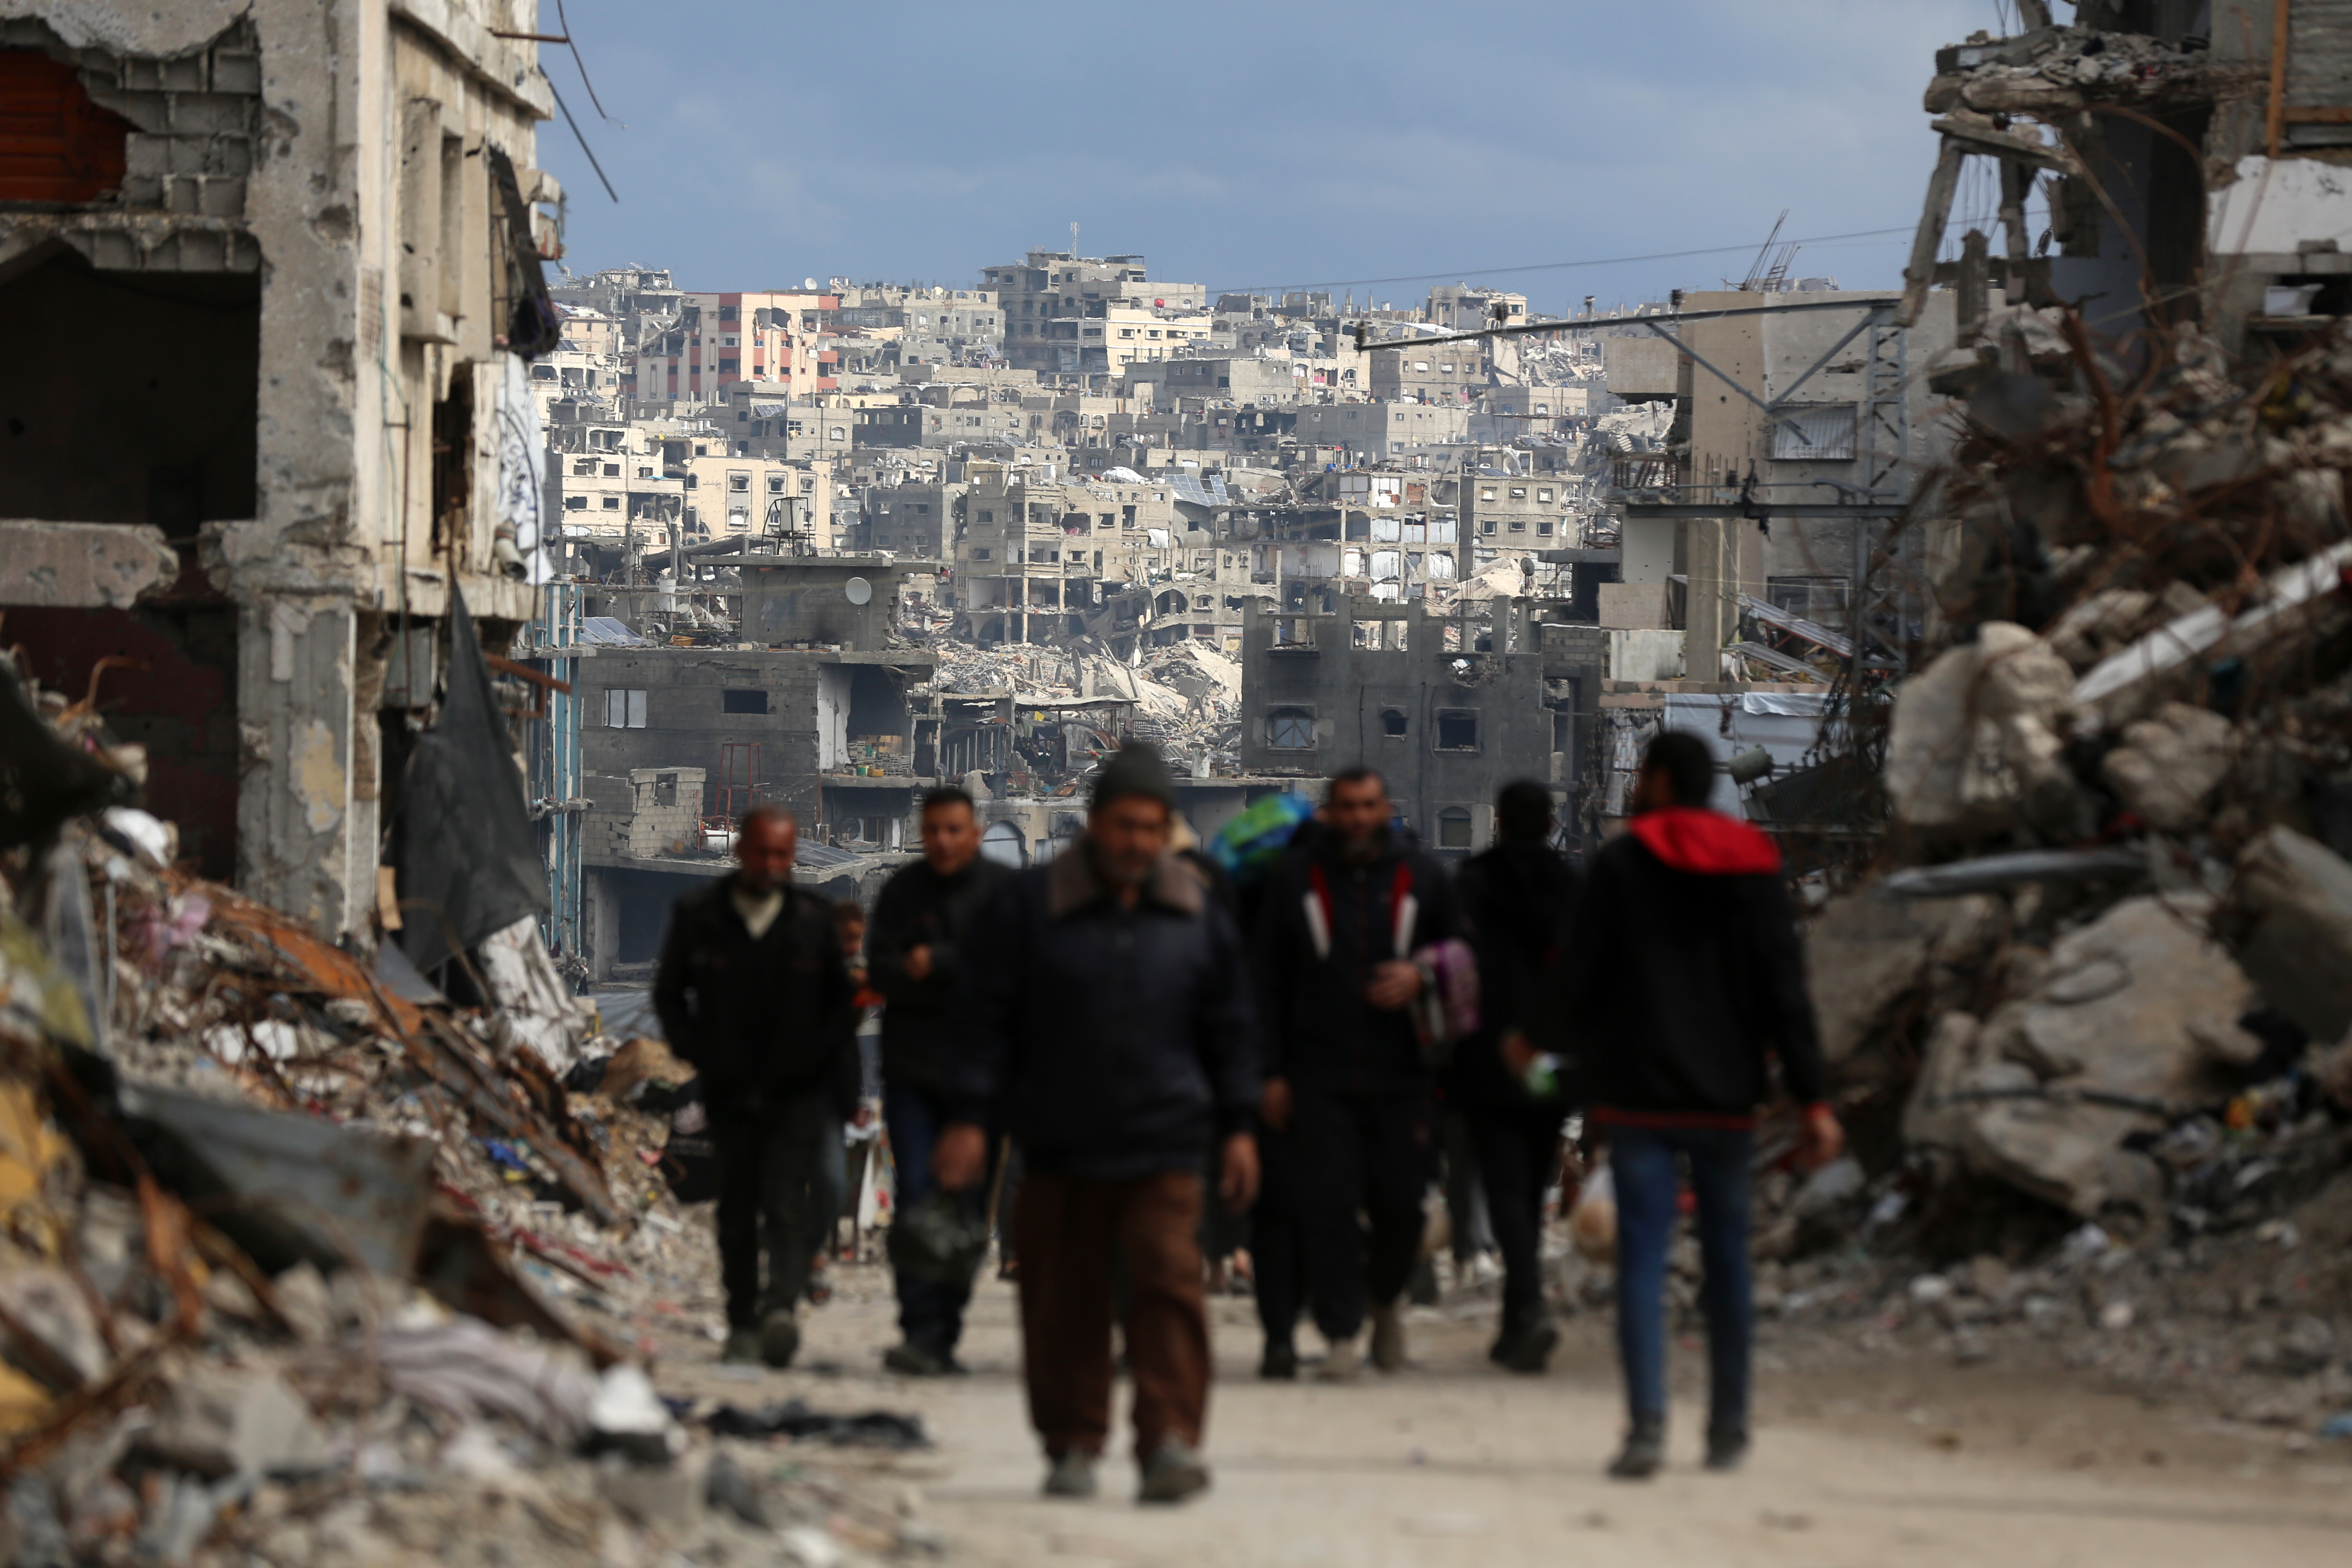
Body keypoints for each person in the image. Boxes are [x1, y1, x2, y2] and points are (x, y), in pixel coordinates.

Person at [935, 744, 1259, 1504]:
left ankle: (1170, 1441)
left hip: (1166, 1147)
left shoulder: (1195, 911)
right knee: (1061, 1301)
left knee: (1170, 1297)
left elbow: (1234, 1030)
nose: (1138, 842)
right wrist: (970, 1120)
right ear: (1094, 825)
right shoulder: (1030, 907)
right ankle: (1073, 1443)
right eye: (1124, 825)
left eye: (1153, 827)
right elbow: (984, 1023)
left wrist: (1240, 1127)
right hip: (1059, 1144)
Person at [1537, 733, 1841, 1479]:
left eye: (1643, 772)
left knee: (1641, 1260)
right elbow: (1785, 992)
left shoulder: (1621, 864)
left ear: (1665, 780)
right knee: (1728, 1262)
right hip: (1726, 1100)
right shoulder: (1755, 866)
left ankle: (1647, 1428)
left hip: (1640, 1097)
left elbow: (1581, 979)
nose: (1636, 784)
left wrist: (1547, 1060)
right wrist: (1814, 1099)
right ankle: (1728, 1426)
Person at [1254, 767, 1457, 1380]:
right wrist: (1270, 1073)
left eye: (1369, 805)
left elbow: (1464, 950)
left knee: (1402, 1207)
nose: (1360, 818)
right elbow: (1265, 981)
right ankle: (1341, 1333)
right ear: (1332, 813)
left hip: (1403, 1078)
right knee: (1329, 1208)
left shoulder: (1420, 877)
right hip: (1319, 1077)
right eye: (1348, 807)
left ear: (1385, 808)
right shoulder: (1297, 880)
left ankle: (1385, 1299)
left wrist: (1421, 974)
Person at [653, 806, 857, 1367]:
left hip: (797, 1092)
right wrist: (694, 1049)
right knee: (738, 1206)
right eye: (762, 853)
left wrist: (822, 1061)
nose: (772, 865)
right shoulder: (701, 916)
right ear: (740, 851)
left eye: (782, 855)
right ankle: (742, 1317)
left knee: (787, 1201)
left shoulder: (813, 920)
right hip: (730, 1089)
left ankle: (780, 1310)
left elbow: (843, 1007)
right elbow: (670, 995)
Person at [866, 786, 1014, 1374]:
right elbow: (880, 969)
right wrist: (914, 971)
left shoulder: (1002, 895)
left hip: (984, 1080)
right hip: (913, 1075)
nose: (945, 842)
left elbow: (1011, 975)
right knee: (917, 1199)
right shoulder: (903, 893)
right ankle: (919, 1327)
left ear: (975, 834)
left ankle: (947, 1325)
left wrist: (940, 964)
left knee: (969, 1210)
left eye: (956, 830)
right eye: (934, 832)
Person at [1456, 780, 1578, 1373]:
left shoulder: (1474, 883)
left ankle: (1526, 1306)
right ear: (1551, 823)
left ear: (1499, 820)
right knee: (1533, 1179)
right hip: (1552, 1065)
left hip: (1489, 1058)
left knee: (1503, 1181)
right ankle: (1515, 1320)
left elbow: (1455, 972)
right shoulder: (1571, 886)